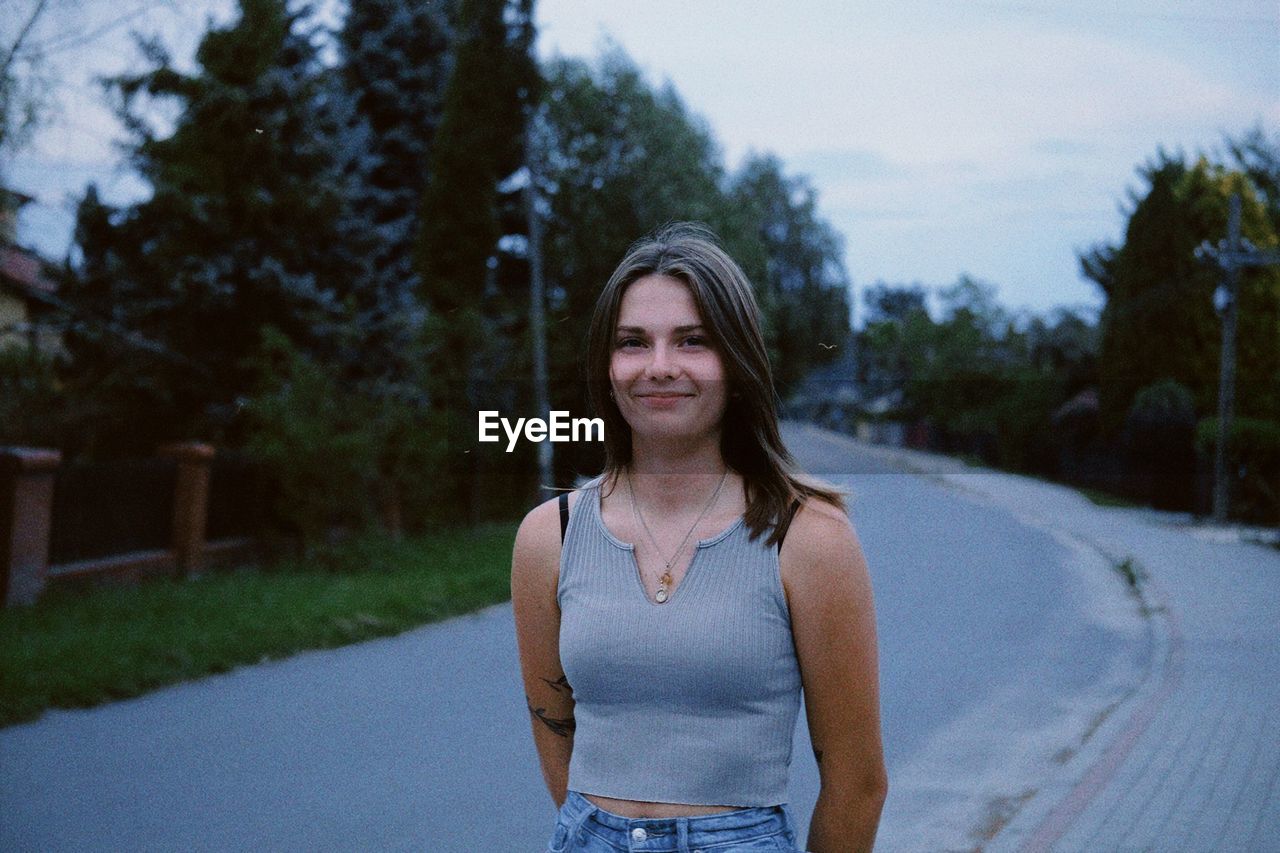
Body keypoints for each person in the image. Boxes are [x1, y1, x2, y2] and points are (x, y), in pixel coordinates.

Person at [511, 223, 887, 852]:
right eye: (633, 343)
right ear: (607, 369)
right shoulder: (549, 537)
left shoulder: (809, 539)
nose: (660, 367)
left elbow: (857, 784)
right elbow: (558, 742)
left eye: (692, 341)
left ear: (737, 364)